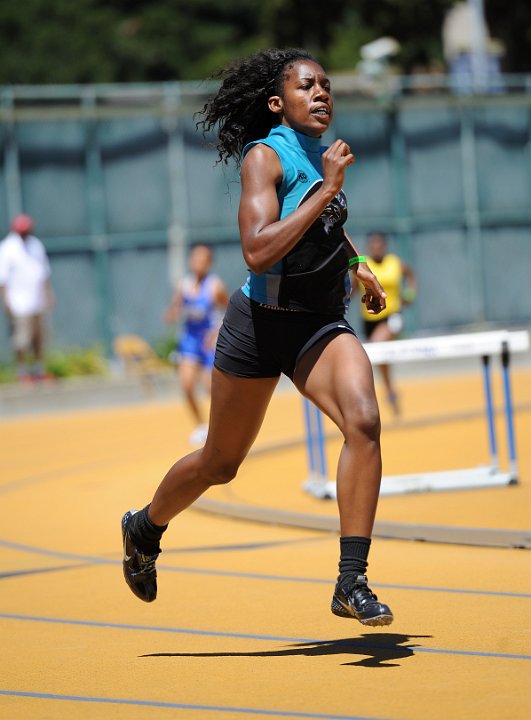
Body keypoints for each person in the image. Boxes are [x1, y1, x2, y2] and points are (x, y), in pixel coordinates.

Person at [122, 48, 394, 627]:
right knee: (220, 463)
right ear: (278, 103)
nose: (321, 93)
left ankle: (352, 581)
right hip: (258, 327)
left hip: (316, 324)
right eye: (306, 86)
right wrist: (328, 189)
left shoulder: (317, 156)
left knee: (364, 421)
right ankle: (145, 527)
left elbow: (321, 228)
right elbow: (259, 248)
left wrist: (354, 265)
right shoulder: (265, 157)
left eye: (325, 84)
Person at [165, 243, 229, 445]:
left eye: (202, 259)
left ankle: (220, 428)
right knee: (186, 384)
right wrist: (172, 314)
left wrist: (217, 330)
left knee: (210, 389)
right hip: (190, 341)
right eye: (195, 258)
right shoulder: (183, 285)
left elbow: (230, 311)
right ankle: (202, 426)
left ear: (209, 263)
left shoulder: (214, 286)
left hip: (209, 342)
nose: (198, 263)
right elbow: (175, 308)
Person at [356, 232, 416, 416]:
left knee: (376, 347)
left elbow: (411, 275)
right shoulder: (363, 265)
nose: (376, 248)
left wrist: (409, 294)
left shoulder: (394, 262)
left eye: (379, 244)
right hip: (369, 319)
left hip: (392, 316)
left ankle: (370, 397)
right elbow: (351, 287)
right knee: (382, 358)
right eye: (373, 245)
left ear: (384, 246)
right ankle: (390, 391)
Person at [0, 214, 55, 383]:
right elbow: (3, 279)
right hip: (19, 302)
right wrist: (6, 300)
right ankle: (22, 373)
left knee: (40, 338)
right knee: (21, 340)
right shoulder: (8, 248)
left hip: (38, 300)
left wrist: (49, 294)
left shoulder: (36, 245)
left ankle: (39, 371)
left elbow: (44, 273)